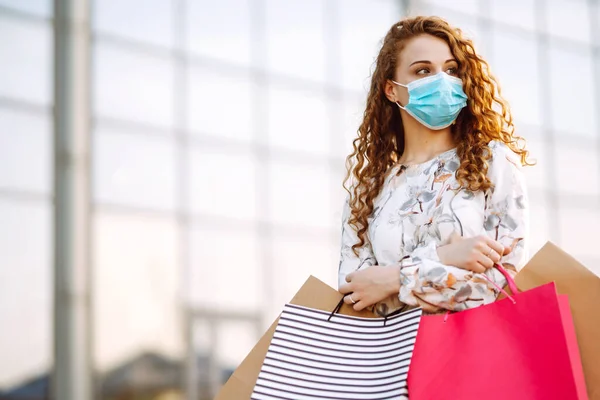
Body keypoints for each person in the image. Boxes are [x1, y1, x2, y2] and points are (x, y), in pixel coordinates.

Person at [338, 16, 532, 316]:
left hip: (474, 356)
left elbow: (500, 286)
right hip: (391, 361)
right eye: (423, 70)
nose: (442, 80)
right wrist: (447, 256)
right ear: (392, 90)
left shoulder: (492, 162)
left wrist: (396, 278)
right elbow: (357, 292)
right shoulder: (369, 189)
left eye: (451, 70)